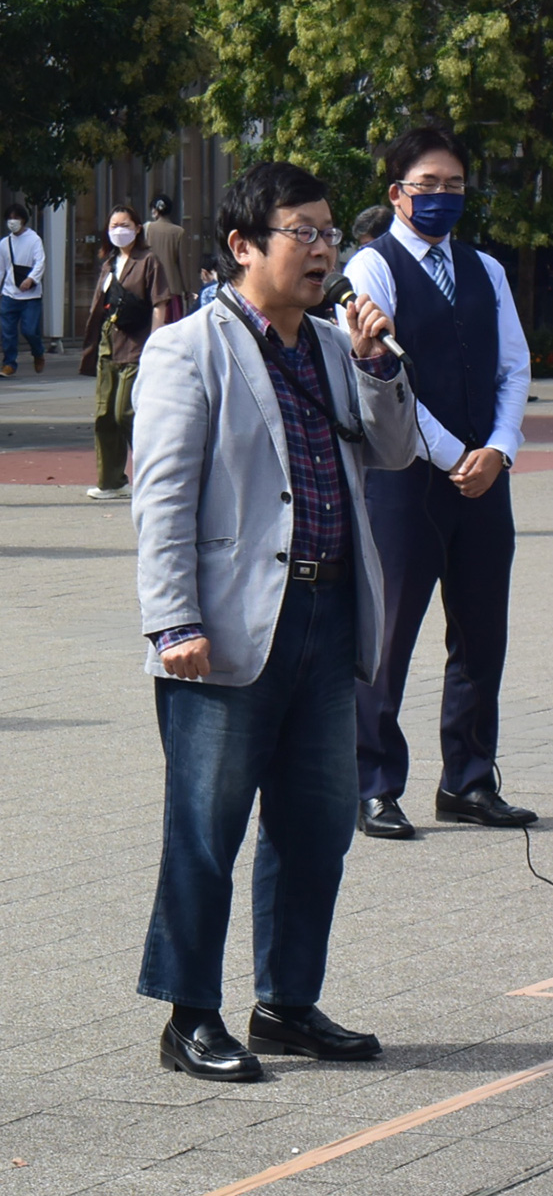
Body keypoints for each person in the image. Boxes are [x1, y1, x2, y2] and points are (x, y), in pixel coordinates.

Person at [132, 160, 417, 1082]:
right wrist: (173, 620)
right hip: (228, 628)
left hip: (328, 617)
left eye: (329, 232)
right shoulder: (190, 349)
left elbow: (394, 449)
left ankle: (286, 1004)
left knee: (318, 824)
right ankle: (189, 1016)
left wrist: (378, 365)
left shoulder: (335, 345)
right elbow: (161, 497)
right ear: (243, 246)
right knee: (206, 827)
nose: (324, 249)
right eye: (303, 232)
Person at [342, 124, 537, 839]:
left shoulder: (487, 269)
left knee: (482, 633)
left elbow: (513, 367)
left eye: (454, 184)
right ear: (397, 193)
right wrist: (459, 455)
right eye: (428, 185)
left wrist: (500, 449)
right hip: (405, 483)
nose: (443, 196)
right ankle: (373, 784)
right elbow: (383, 378)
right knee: (387, 637)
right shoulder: (372, 268)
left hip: (486, 480)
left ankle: (469, 779)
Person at [79, 206, 171, 500]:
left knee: (125, 413)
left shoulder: (148, 261)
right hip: (108, 344)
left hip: (136, 344)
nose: (119, 230)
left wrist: (154, 343)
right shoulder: (109, 263)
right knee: (104, 414)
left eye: (125, 225)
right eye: (113, 225)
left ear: (137, 228)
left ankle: (154, 473)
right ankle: (111, 481)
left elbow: (160, 303)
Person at [0, 204, 46, 377]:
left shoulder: (34, 240)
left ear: (24, 220)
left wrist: (31, 279)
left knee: (29, 330)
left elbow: (40, 262)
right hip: (9, 294)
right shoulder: (4, 243)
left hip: (30, 296)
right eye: (9, 219)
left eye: (16, 218)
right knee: (8, 332)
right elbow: (1, 269)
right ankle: (9, 363)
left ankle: (38, 352)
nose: (12, 222)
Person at [144, 194, 189, 323]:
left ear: (155, 210)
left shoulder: (147, 229)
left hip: (152, 287)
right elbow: (182, 264)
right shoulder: (179, 232)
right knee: (173, 326)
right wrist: (186, 289)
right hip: (173, 287)